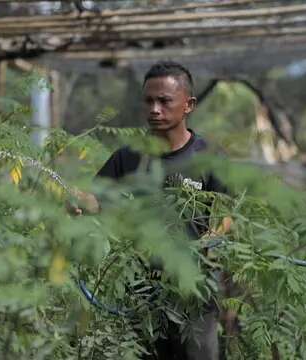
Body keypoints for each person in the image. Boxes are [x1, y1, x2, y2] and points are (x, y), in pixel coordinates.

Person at [75, 61, 228, 360]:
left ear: (189, 105)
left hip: (194, 294)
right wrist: (78, 201)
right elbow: (98, 198)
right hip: (140, 292)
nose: (154, 109)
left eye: (164, 101)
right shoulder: (128, 157)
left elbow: (226, 214)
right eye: (149, 101)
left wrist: (206, 244)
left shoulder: (208, 157)